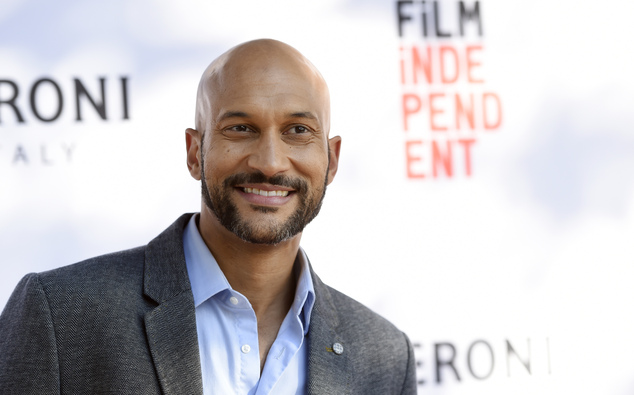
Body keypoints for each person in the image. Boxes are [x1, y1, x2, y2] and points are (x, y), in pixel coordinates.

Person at [0, 39, 417, 394]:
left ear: (331, 160)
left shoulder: (383, 358)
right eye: (240, 128)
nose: (270, 162)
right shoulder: (60, 315)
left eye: (297, 131)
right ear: (195, 153)